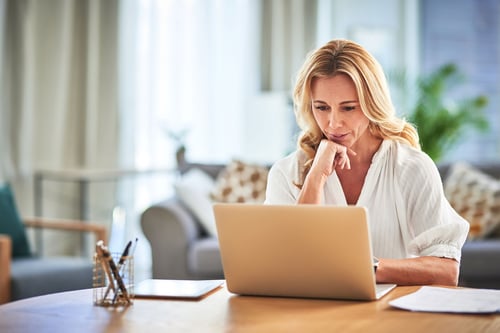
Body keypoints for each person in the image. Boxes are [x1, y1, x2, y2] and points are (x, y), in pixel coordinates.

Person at [264, 39, 469, 286]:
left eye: (348, 108)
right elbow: (287, 264)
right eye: (321, 107)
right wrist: (316, 177)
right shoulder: (286, 173)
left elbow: (446, 271)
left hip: (390, 317)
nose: (333, 123)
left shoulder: (412, 168)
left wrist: (363, 268)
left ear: (372, 103)